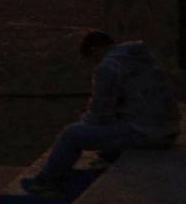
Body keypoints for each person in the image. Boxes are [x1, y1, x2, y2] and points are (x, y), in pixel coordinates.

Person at [23, 30, 180, 195]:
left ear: (94, 50)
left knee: (72, 135)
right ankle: (109, 157)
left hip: (148, 134)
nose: (95, 63)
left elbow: (100, 115)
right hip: (169, 130)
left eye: (92, 60)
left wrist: (85, 121)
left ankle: (47, 182)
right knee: (110, 133)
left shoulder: (109, 66)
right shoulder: (142, 57)